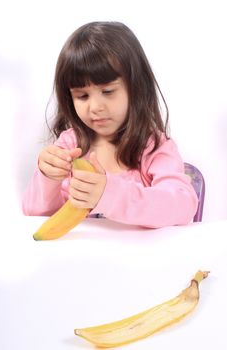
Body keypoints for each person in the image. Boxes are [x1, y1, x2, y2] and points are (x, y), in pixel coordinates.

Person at [22, 21, 198, 228]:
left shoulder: (154, 146)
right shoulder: (70, 145)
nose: (95, 107)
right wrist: (47, 177)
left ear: (136, 88)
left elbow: (182, 207)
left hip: (143, 257)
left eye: (108, 92)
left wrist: (109, 194)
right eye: (82, 95)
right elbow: (36, 215)